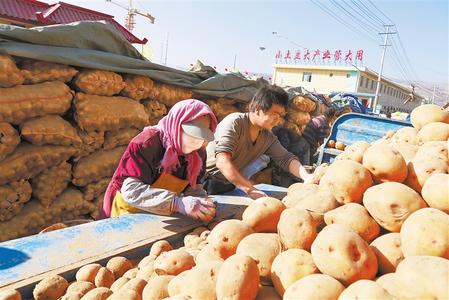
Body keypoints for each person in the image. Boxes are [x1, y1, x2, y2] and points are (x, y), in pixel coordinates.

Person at [102, 99, 218, 223]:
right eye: (191, 134)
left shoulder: (198, 154)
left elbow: (193, 187)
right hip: (129, 210)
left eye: (201, 137)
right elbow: (131, 191)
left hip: (161, 214)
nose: (196, 142)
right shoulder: (146, 143)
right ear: (176, 124)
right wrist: (176, 203)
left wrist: (201, 203)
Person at [203, 85, 314, 199]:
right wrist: (249, 188)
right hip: (204, 183)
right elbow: (222, 162)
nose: (278, 119)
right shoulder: (234, 123)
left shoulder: (267, 137)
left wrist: (306, 176)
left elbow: (286, 159)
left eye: (280, 115)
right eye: (274, 114)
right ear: (257, 109)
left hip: (229, 185)